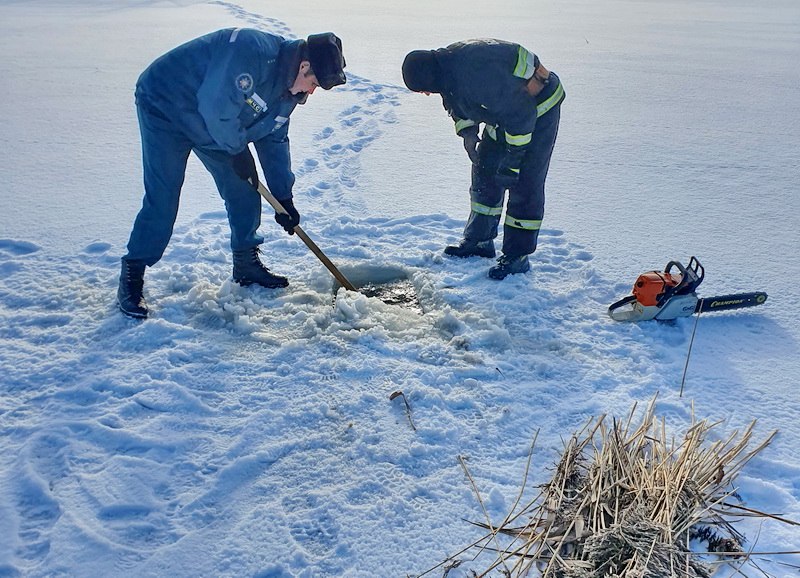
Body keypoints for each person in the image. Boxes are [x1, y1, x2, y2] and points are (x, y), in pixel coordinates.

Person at [117, 28, 347, 319]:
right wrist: (237, 151)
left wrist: (283, 198)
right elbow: (216, 105)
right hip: (167, 108)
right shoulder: (252, 52)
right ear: (304, 66)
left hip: (216, 128)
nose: (310, 91)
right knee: (163, 195)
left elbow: (274, 140)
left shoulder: (289, 92)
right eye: (313, 82)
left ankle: (246, 262)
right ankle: (133, 274)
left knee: (244, 190)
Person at [402, 39, 564, 279]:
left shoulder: (477, 73)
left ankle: (517, 256)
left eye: (423, 89)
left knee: (523, 182)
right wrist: (467, 131)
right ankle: (480, 241)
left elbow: (520, 117)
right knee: (485, 170)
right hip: (504, 111)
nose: (426, 93)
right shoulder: (445, 68)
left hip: (537, 108)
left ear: (427, 77)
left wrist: (512, 162)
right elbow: (453, 98)